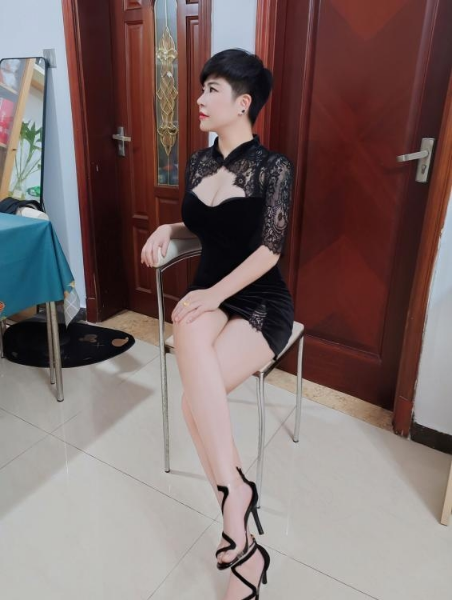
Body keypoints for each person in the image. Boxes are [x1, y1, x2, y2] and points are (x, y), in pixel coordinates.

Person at [141, 48, 294, 599]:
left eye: (212, 89)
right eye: (202, 87)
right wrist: (168, 228)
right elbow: (205, 227)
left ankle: (238, 523)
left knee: (192, 405)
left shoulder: (274, 168)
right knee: (186, 320)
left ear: (243, 102)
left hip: (259, 303)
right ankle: (240, 515)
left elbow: (269, 250)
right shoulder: (199, 163)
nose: (200, 98)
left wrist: (212, 295)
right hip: (211, 297)